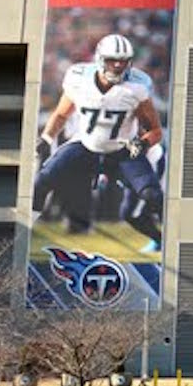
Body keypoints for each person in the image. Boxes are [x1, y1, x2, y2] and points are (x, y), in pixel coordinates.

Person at [32, 34, 164, 245]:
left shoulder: (137, 86)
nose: (119, 65)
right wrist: (47, 137)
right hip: (85, 145)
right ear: (100, 59)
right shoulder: (79, 78)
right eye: (113, 59)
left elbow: (156, 130)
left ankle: (170, 241)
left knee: (152, 195)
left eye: (123, 60)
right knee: (41, 182)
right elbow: (61, 114)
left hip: (122, 150)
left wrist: (143, 142)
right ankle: (22, 235)